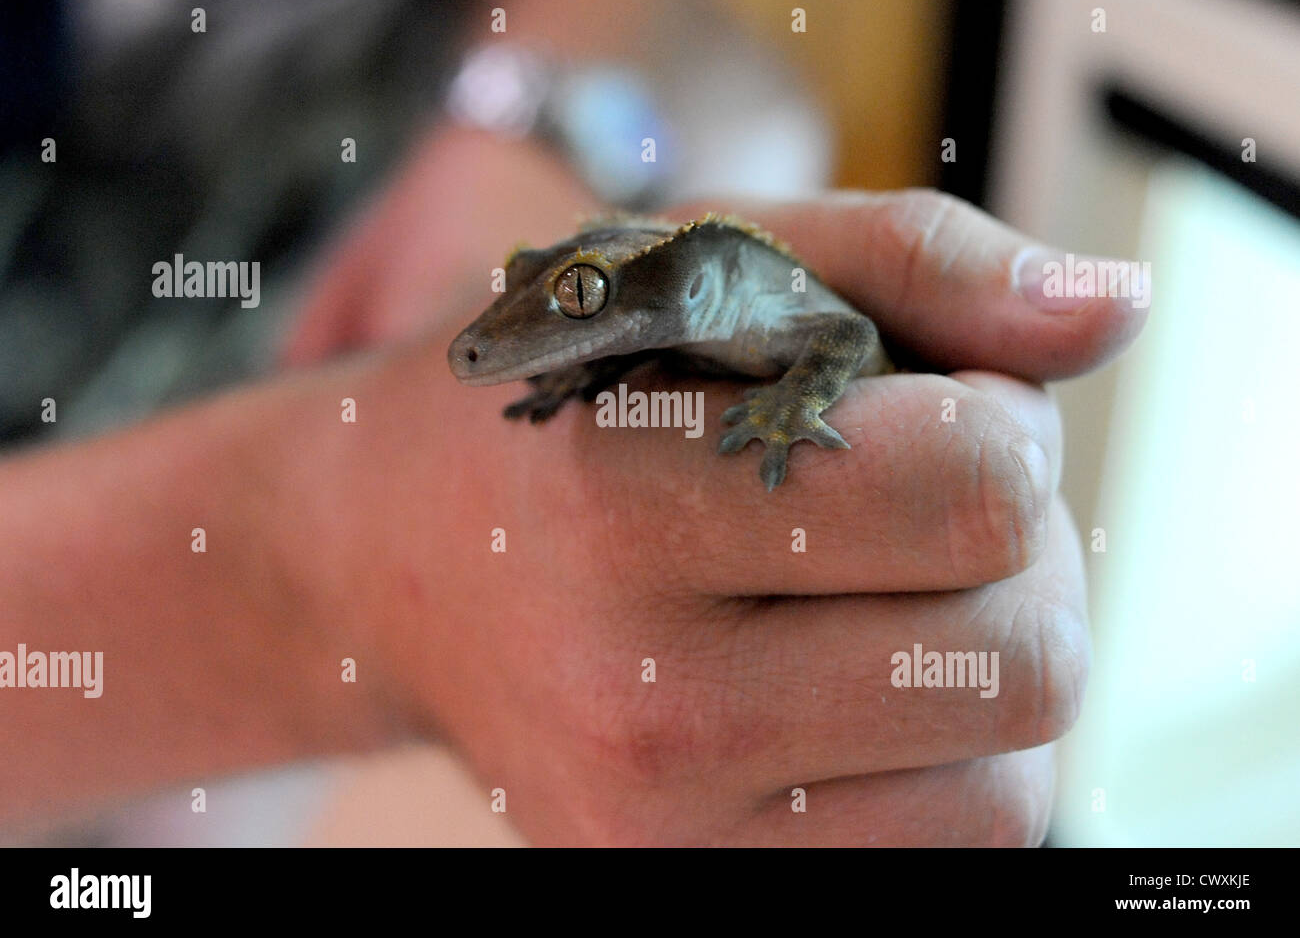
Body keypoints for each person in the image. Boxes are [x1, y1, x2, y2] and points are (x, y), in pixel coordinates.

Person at [0, 114, 1147, 844]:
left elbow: (754, 124)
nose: (500, 337)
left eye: (571, 300)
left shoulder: (720, 296)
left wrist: (542, 112)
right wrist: (351, 556)